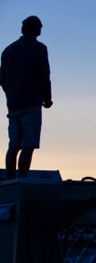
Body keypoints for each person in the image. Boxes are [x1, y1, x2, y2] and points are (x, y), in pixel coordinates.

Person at [0, 16, 53, 179]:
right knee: (28, 144)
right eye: (40, 27)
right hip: (31, 103)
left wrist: (10, 94)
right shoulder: (39, 49)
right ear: (36, 29)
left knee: (14, 145)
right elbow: (43, 75)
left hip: (13, 104)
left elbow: (2, 78)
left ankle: (9, 181)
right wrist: (47, 98)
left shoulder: (8, 50)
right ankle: (22, 181)